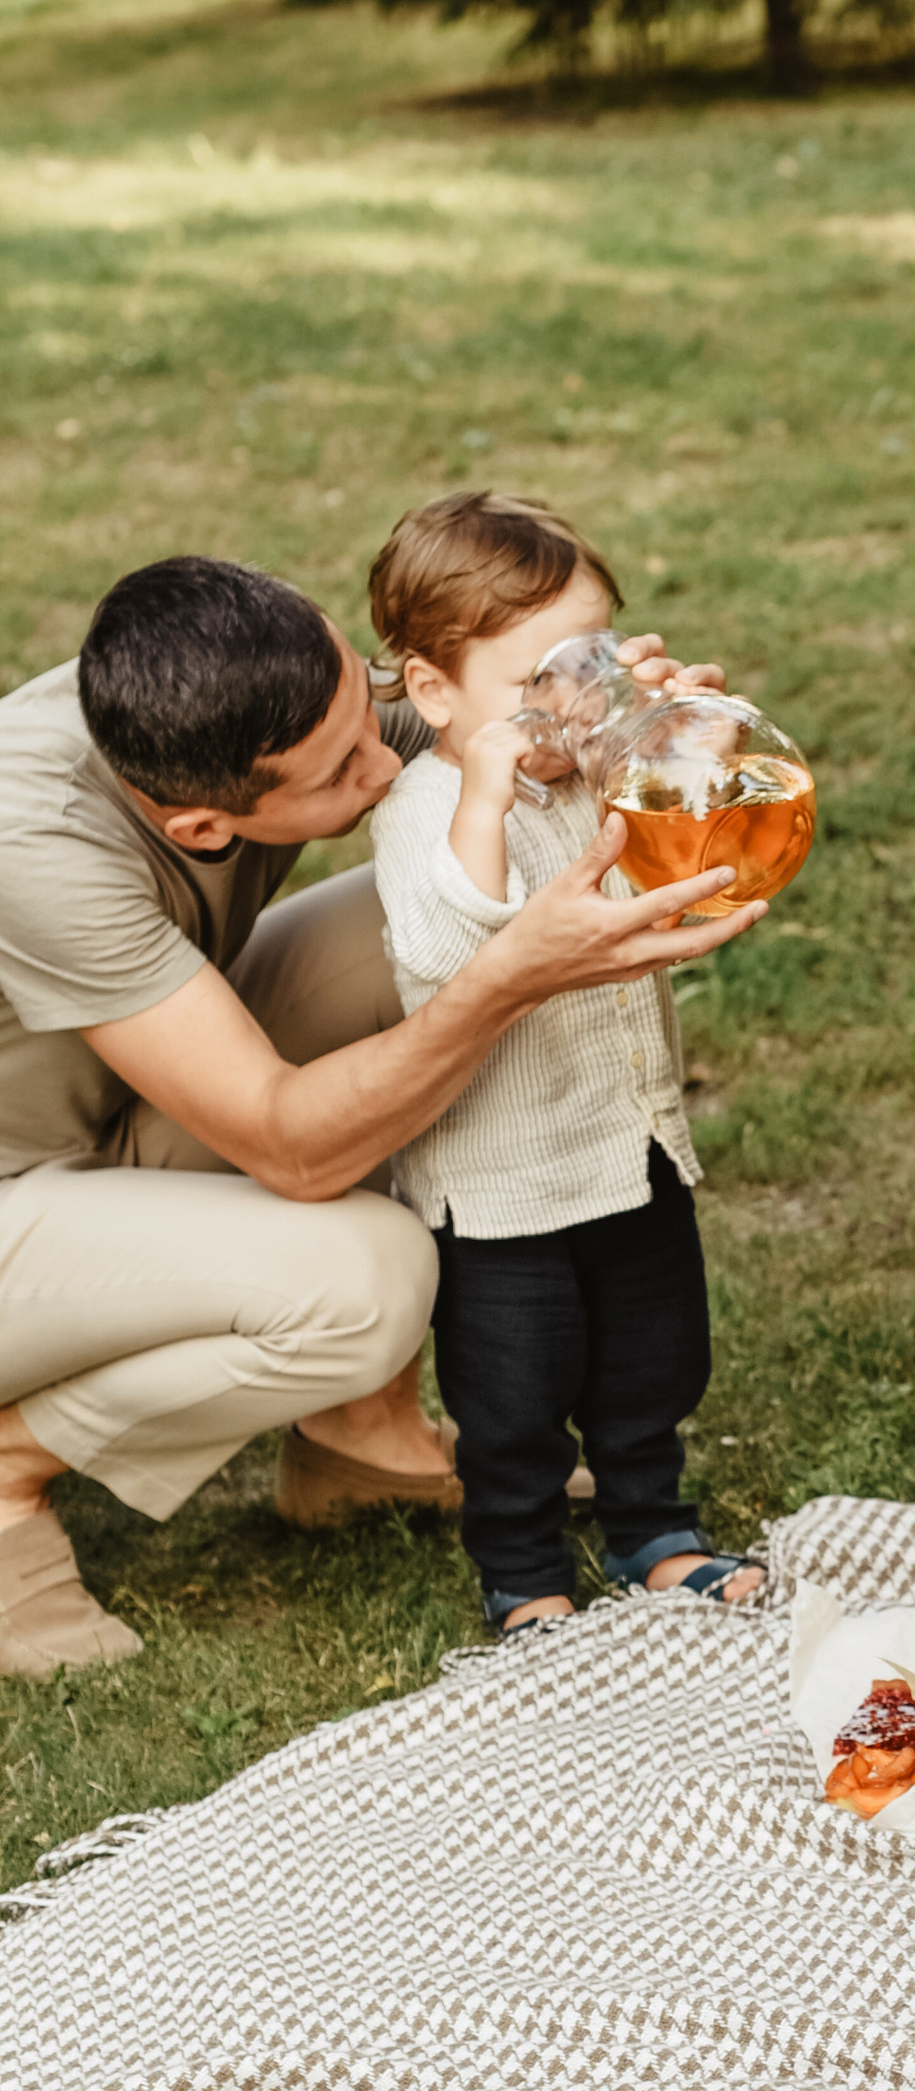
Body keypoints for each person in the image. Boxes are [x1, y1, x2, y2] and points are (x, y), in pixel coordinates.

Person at [0, 551, 762, 1679]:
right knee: (366, 1283)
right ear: (204, 826)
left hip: (117, 1089)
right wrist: (507, 982)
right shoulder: (33, 839)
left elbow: (478, 750)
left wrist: (604, 718)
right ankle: (11, 1467)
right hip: (20, 1186)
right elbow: (292, 1146)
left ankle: (357, 1439)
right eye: (343, 763)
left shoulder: (213, 690)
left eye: (370, 697)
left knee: (445, 912)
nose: (385, 748)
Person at [366, 492, 764, 1630]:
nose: (569, 706)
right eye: (534, 681)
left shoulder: (595, 773)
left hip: (623, 1142)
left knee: (654, 1356)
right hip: (501, 1185)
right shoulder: (427, 807)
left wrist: (692, 749)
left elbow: (683, 869)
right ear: (435, 691)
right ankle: (522, 1566)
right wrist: (490, 787)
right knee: (511, 1394)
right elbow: (453, 946)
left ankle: (651, 1525)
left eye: (587, 668)